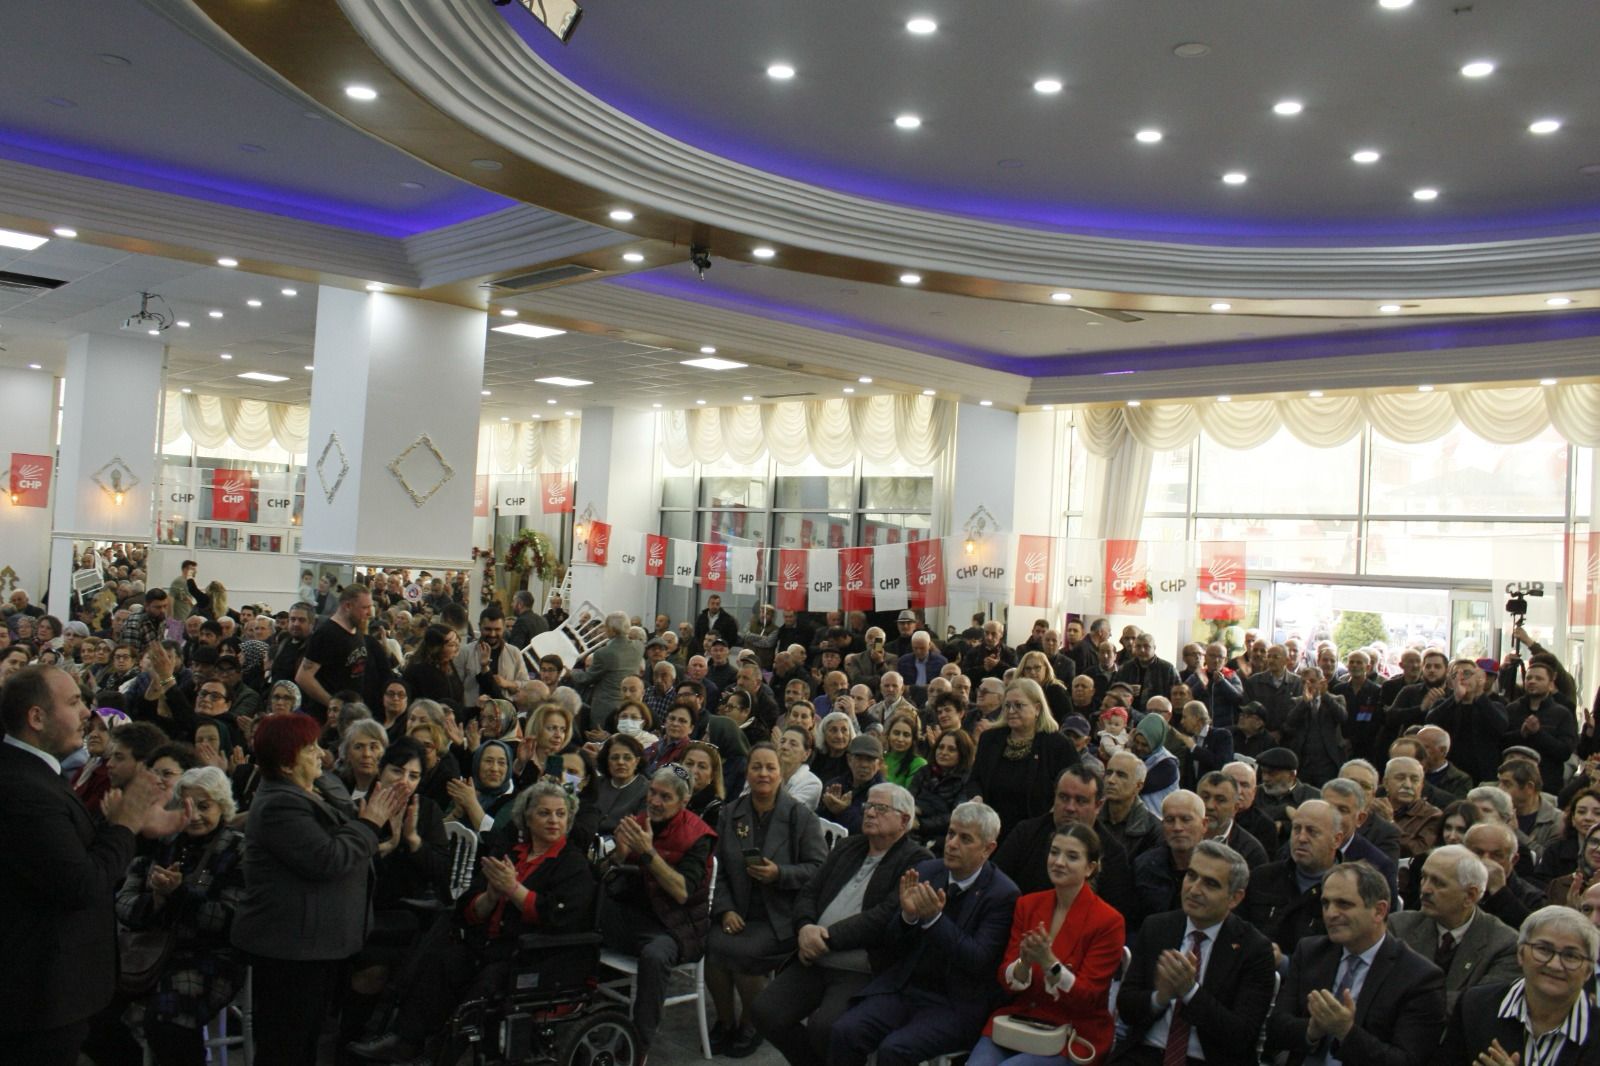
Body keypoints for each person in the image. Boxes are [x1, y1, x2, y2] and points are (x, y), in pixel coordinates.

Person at [349, 781, 596, 1063]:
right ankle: (405, 1040)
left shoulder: (573, 864)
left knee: (486, 984)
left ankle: (439, 1056)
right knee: (442, 961)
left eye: (560, 814)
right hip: (490, 945)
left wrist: (514, 889)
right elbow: (469, 903)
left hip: (535, 956)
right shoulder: (511, 852)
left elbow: (560, 916)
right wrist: (490, 896)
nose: (554, 820)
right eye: (545, 813)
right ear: (527, 818)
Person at [0, 666, 174, 1065]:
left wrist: (136, 830)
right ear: (36, 717)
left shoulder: (34, 774)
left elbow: (66, 851)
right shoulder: (24, 789)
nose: (87, 714)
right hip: (39, 994)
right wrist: (127, 821)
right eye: (75, 702)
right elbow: (81, 883)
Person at [230, 713, 410, 1066]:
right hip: (290, 950)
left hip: (313, 946)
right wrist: (369, 822)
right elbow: (329, 859)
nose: (319, 753)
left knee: (307, 1042)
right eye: (308, 748)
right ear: (285, 761)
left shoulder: (309, 791)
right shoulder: (280, 805)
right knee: (286, 1047)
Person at [750, 782, 932, 1066]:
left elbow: (884, 916)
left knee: (827, 1028)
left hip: (860, 968)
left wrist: (826, 937)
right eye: (868, 806)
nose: (870, 813)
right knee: (764, 1011)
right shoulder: (850, 846)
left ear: (904, 820)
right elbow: (810, 890)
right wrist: (805, 926)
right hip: (815, 956)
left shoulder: (916, 859)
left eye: (881, 808)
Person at [830, 801, 1021, 1066]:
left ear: (988, 849)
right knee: (845, 1032)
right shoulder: (929, 871)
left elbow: (978, 960)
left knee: (895, 1050)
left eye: (965, 839)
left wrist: (934, 920)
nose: (952, 844)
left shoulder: (1002, 894)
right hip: (907, 987)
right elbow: (892, 942)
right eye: (951, 833)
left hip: (954, 1002)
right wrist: (908, 917)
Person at [113, 766, 248, 1066]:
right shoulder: (161, 844)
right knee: (93, 1008)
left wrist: (179, 895)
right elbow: (123, 904)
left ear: (223, 807)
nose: (196, 815)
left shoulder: (239, 849)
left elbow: (231, 920)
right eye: (187, 806)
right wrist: (156, 900)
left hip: (211, 955)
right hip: (148, 952)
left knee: (168, 1020)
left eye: (204, 806)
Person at [706, 743, 829, 1056]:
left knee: (745, 953)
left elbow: (819, 870)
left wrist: (780, 874)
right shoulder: (732, 812)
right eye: (756, 767)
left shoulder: (800, 817)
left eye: (770, 768)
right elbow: (716, 869)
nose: (763, 773)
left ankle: (753, 1022)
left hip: (780, 914)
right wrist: (725, 910)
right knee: (712, 946)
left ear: (781, 773)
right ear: (747, 772)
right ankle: (725, 1021)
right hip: (738, 908)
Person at [968, 823, 1124, 1066]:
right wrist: (1025, 963)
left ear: (1090, 868)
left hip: (1074, 1033)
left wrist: (1049, 962)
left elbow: (1088, 998)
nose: (1059, 862)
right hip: (1019, 1022)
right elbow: (1006, 978)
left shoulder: (1108, 921)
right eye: (1054, 852)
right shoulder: (1027, 905)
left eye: (1072, 857)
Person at [1113, 840, 1278, 1065]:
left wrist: (1189, 991)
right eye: (1191, 876)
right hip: (1145, 1054)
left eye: (1210, 884)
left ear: (1235, 898)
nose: (1194, 889)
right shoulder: (1157, 927)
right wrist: (1159, 998)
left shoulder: (1254, 949)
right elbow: (1126, 1008)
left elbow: (1241, 1036)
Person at [1266, 861, 1446, 1066]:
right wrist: (1311, 1030)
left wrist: (1346, 1032)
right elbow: (1275, 1029)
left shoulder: (1419, 977)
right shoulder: (1310, 952)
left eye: (1344, 904)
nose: (1331, 914)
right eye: (1326, 903)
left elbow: (1406, 1061)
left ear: (1379, 911)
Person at [597, 764, 718, 1057]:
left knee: (654, 957)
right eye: (652, 792)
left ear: (683, 802)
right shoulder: (640, 820)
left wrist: (648, 853)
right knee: (582, 918)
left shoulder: (698, 836)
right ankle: (587, 1016)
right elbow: (604, 874)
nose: (654, 801)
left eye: (665, 797)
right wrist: (619, 856)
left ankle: (637, 1047)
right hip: (636, 913)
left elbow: (682, 892)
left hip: (676, 926)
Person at [1434, 904, 1600, 1064]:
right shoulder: (1475, 1006)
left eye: (1571, 956)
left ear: (1588, 971)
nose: (1555, 965)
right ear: (1520, 954)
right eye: (1543, 949)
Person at [992, 762, 1138, 926]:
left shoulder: (1112, 852)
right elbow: (996, 886)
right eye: (1063, 797)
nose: (1070, 807)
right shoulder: (1025, 833)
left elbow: (1114, 914)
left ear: (1098, 805)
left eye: (1080, 801)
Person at [1388, 844, 1520, 1011]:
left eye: (1438, 883)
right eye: (1424, 877)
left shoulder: (1504, 944)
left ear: (1470, 895)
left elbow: (1480, 1005)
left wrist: (1409, 999)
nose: (1425, 889)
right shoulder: (1399, 927)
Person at [969, 677, 1078, 841]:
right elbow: (974, 779)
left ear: (1037, 708)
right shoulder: (990, 739)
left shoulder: (1058, 745)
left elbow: (1073, 788)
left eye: (1018, 705)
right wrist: (977, 797)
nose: (1011, 711)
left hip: (1038, 835)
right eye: (1007, 705)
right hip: (990, 831)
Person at [296, 583, 376, 722]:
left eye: (370, 607)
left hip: (352, 714)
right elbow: (303, 677)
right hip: (328, 718)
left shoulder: (355, 630)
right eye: (365, 608)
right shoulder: (326, 634)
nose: (369, 613)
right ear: (348, 606)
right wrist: (334, 706)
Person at [570, 610, 644, 724]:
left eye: (606, 627)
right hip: (630, 705)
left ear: (612, 631)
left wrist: (571, 672)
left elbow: (587, 678)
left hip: (605, 708)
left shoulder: (604, 653)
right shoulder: (639, 647)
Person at [910, 728, 977, 847]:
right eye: (940, 747)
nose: (943, 752)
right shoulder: (925, 771)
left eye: (951, 750)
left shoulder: (968, 780)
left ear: (962, 753)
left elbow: (956, 816)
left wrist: (921, 822)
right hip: (911, 829)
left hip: (942, 840)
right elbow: (908, 801)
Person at [818, 733, 887, 833]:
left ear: (879, 763)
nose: (864, 765)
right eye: (859, 758)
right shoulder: (835, 785)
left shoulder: (883, 794)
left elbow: (870, 829)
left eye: (870, 759)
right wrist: (827, 807)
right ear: (849, 759)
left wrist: (843, 811)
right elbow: (818, 822)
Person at [1100, 750, 1162, 859]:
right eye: (1109, 773)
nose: (1111, 780)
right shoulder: (1090, 816)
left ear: (1138, 786)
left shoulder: (1153, 830)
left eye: (1121, 775)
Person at [594, 732, 648, 835]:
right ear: (607, 761)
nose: (621, 762)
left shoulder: (646, 790)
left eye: (627, 758)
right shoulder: (596, 784)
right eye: (615, 758)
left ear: (636, 761)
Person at [1113, 631, 1180, 715]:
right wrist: (1126, 689)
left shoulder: (1167, 669)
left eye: (1146, 646)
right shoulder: (1125, 668)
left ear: (1154, 648)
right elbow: (1114, 692)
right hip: (1129, 715)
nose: (1142, 650)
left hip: (1158, 715)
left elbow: (1177, 694)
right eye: (1138, 646)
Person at [776, 722, 823, 809]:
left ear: (806, 754)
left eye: (793, 744)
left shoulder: (812, 784)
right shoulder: (765, 772)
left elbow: (785, 811)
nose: (784, 747)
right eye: (782, 741)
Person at [882, 709, 928, 787]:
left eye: (906, 735)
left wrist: (882, 777)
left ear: (913, 739)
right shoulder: (881, 759)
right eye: (896, 733)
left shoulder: (919, 764)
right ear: (888, 735)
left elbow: (908, 795)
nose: (900, 739)